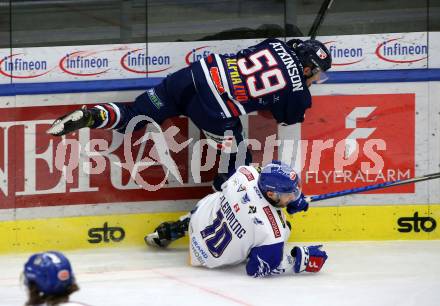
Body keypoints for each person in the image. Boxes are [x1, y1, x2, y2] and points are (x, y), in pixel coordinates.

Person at [47, 38, 332, 190]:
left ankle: (94, 115)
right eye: (315, 74)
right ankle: (214, 215)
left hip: (192, 77)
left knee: (135, 115)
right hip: (213, 112)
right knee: (240, 166)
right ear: (307, 68)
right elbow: (284, 118)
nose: (314, 80)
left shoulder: (274, 44)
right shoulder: (299, 93)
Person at [144, 160, 328, 277]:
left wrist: (286, 201)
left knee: (218, 200)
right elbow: (256, 269)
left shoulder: (245, 173)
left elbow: (225, 184)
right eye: (290, 194)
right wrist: (299, 261)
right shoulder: (273, 232)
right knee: (285, 228)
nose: (294, 197)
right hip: (212, 258)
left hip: (200, 218)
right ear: (271, 193)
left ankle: (183, 225)